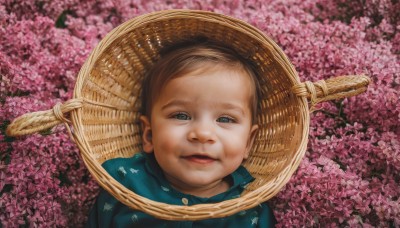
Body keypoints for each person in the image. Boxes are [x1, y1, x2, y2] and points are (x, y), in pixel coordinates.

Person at [86, 40, 276, 227]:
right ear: (149, 135)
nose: (202, 133)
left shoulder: (252, 212)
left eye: (225, 119)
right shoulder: (124, 184)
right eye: (181, 115)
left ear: (248, 143)